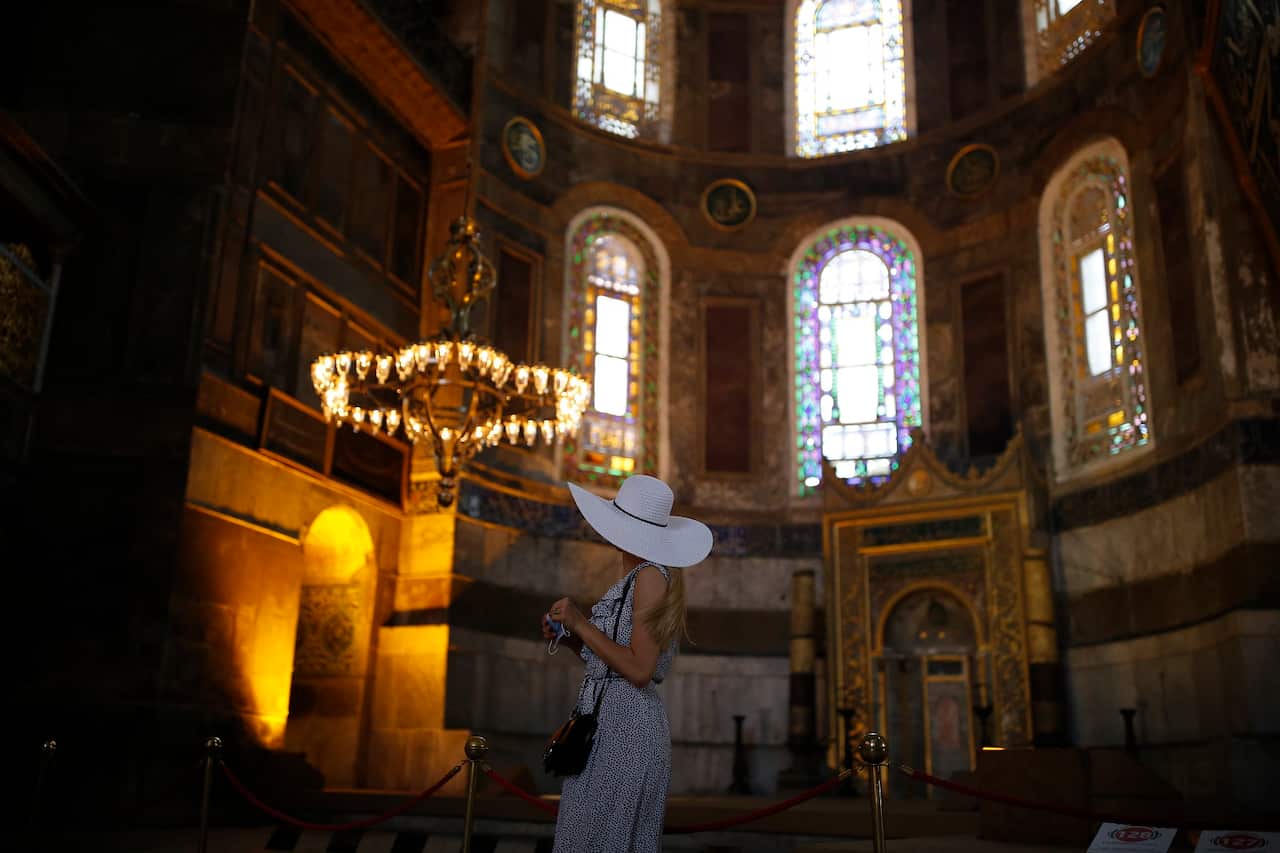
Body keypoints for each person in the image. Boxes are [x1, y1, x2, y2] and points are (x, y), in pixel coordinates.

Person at [542, 474, 713, 853]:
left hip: (627, 731)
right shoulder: (637, 577)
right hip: (606, 724)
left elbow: (639, 670)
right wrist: (570, 638)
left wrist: (581, 623)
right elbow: (614, 662)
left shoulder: (650, 576)